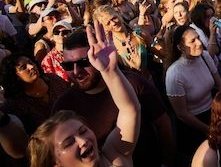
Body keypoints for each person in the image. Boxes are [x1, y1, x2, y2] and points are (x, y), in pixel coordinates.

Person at [53, 28, 174, 167]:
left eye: (84, 62)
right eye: (68, 65)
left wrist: (167, 162)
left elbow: (162, 123)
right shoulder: (62, 107)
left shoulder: (134, 84)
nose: (76, 71)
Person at [28, 21, 141, 167]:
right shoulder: (63, 102)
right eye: (69, 143)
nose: (83, 141)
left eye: (83, 131)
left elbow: (130, 110)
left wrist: (109, 72)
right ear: (55, 162)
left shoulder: (114, 157)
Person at [165, 25, 221, 160]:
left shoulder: (204, 56)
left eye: (198, 38)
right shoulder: (174, 74)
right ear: (180, 47)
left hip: (214, 114)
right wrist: (207, 129)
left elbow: (220, 85)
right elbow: (182, 114)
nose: (199, 43)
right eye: (192, 41)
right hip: (193, 126)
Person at [0, 54, 68, 135]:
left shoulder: (54, 80)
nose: (31, 67)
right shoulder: (15, 105)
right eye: (23, 67)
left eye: (30, 62)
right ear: (14, 76)